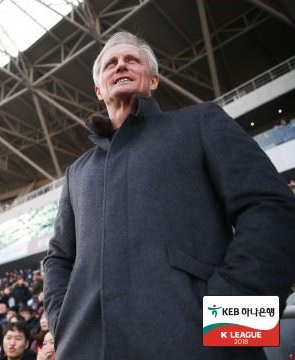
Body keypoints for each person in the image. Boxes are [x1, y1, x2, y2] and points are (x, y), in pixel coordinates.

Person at [42, 30, 295, 359]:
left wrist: (234, 326)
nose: (121, 66)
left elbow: (273, 209)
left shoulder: (200, 122)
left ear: (154, 80)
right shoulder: (77, 172)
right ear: (98, 89)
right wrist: (64, 325)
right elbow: (59, 259)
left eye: (132, 60)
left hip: (201, 346)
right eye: (111, 64)